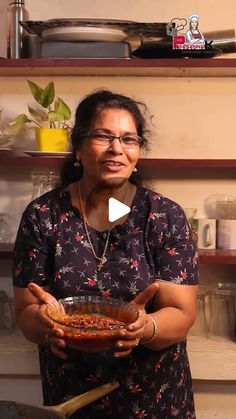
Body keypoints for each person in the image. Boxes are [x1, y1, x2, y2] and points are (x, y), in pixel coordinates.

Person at [13, 89, 199, 418]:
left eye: (129, 139)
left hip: (154, 396)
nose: (117, 148)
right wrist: (44, 324)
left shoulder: (164, 216)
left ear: (138, 151)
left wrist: (145, 328)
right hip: (71, 395)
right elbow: (28, 312)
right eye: (103, 136)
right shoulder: (43, 215)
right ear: (78, 148)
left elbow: (181, 313)